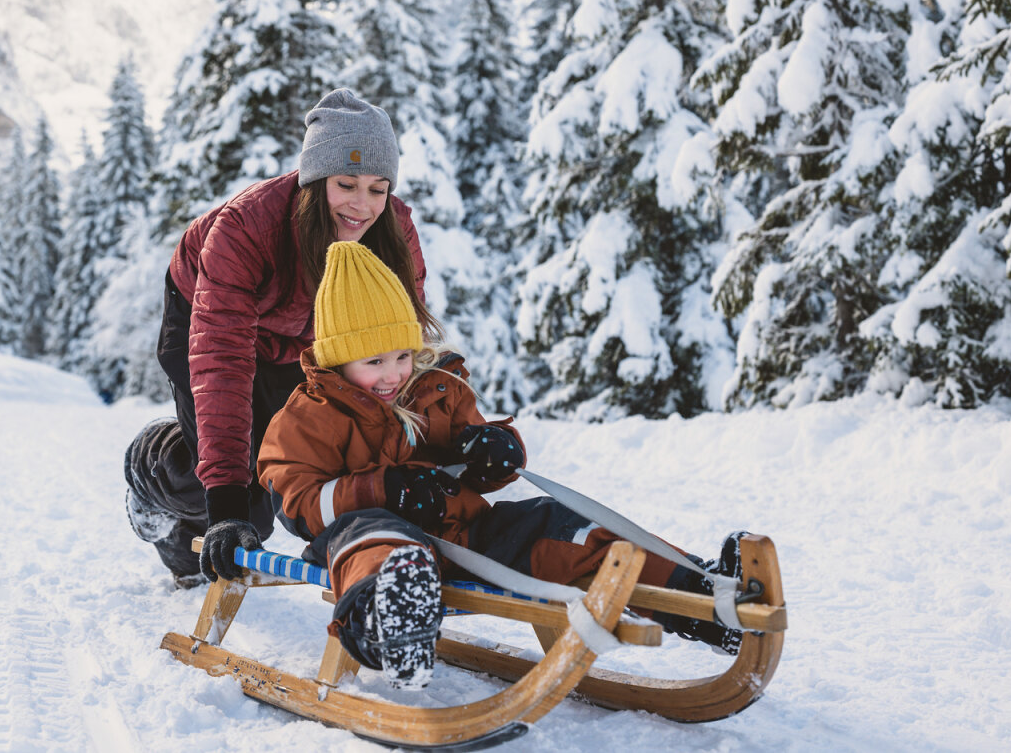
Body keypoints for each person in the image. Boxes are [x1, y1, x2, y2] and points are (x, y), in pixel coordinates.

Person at [257, 240, 745, 689]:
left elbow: (478, 462)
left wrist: (493, 451)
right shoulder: (310, 416)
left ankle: (700, 593)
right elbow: (296, 502)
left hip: (466, 535)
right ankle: (393, 618)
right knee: (379, 537)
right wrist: (382, 490)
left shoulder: (434, 389)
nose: (393, 374)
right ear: (338, 361)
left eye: (402, 356)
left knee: (559, 527)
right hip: (369, 541)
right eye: (374, 362)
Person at [123, 89, 432, 587]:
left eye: (378, 188)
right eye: (346, 183)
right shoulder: (246, 227)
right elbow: (221, 362)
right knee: (243, 502)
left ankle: (193, 534)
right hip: (205, 321)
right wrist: (224, 501)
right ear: (315, 180)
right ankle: (151, 467)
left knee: (289, 472)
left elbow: (404, 347)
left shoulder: (394, 232)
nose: (363, 204)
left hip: (301, 342)